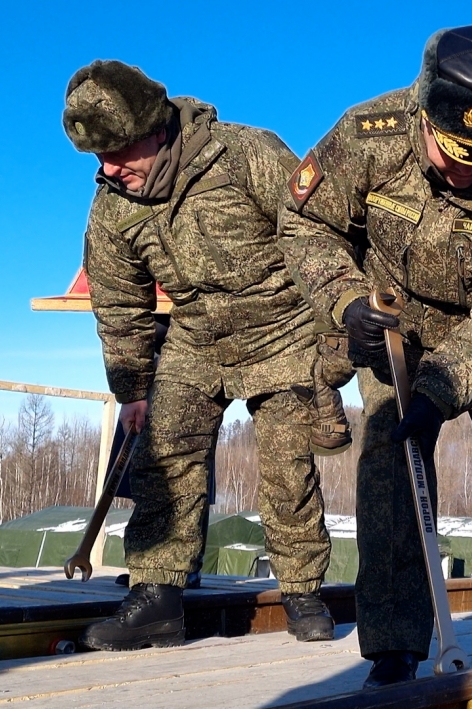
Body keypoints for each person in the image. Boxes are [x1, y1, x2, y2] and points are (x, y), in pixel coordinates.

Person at [278, 25, 472, 687]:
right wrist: (345, 301)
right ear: (424, 112)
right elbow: (303, 221)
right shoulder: (368, 133)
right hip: (394, 332)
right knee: (391, 467)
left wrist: (445, 386)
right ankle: (394, 643)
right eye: (450, 149)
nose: (463, 167)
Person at [62, 60, 350, 651]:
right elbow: (120, 306)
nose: (110, 169)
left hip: (283, 326)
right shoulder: (112, 205)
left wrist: (334, 343)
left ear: (155, 128)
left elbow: (321, 233)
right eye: (98, 158)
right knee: (163, 455)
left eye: (119, 152)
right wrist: (133, 390)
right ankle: (156, 597)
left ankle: (301, 589)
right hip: (195, 337)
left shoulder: (246, 153)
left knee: (286, 465)